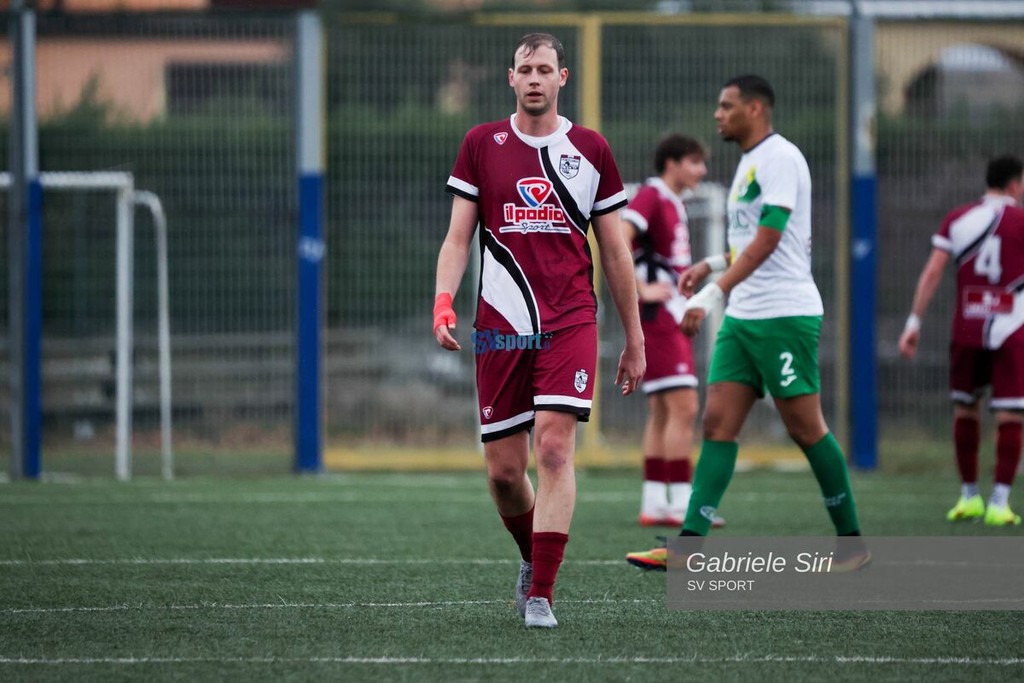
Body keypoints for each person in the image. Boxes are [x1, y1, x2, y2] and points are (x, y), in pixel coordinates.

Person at [433, 33, 645, 627]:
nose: (534, 78)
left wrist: (634, 337)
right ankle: (533, 557)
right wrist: (443, 301)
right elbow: (457, 238)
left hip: (570, 320)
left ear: (562, 78)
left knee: (553, 449)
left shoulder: (591, 149)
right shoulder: (481, 144)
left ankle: (541, 595)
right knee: (505, 474)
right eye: (525, 69)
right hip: (500, 326)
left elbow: (616, 253)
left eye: (544, 69)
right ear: (511, 78)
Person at [626, 74, 866, 571]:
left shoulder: (781, 158)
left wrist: (712, 292)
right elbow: (748, 243)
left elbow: (771, 239)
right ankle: (687, 547)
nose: (718, 114)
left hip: (784, 315)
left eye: (726, 106)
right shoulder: (747, 164)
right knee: (716, 424)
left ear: (755, 109)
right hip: (744, 316)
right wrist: (711, 265)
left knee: (806, 428)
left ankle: (852, 543)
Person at [898, 155, 1024, 527]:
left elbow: (933, 271)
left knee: (966, 409)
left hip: (968, 327)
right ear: (1014, 184)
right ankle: (999, 503)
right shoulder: (1020, 220)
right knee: (1010, 413)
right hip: (1011, 329)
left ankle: (969, 497)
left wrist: (914, 321)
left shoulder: (958, 218)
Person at [620, 134, 724, 529]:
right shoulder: (652, 194)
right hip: (660, 316)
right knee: (684, 407)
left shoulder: (672, 200)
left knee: (664, 411)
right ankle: (680, 503)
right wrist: (641, 289)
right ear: (672, 163)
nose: (702, 170)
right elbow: (620, 237)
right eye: (695, 162)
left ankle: (655, 503)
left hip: (667, 314)